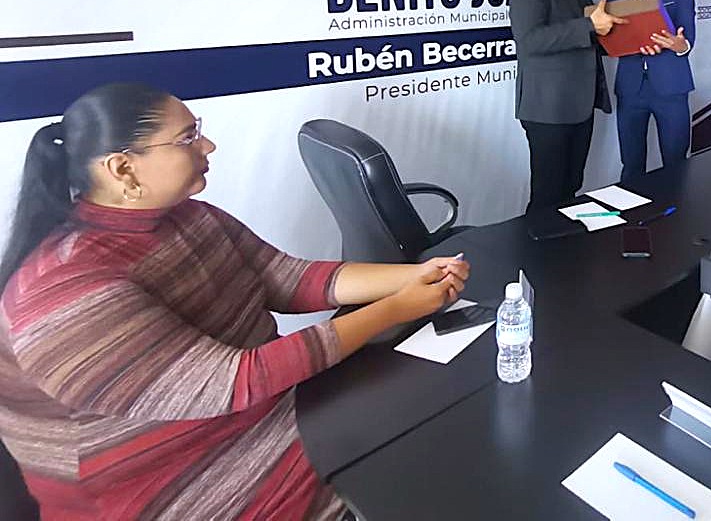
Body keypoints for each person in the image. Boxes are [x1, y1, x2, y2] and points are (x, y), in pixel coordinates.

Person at [0, 83, 469, 520]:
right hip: (181, 476)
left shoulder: (187, 216)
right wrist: (396, 307)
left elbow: (287, 279)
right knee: (418, 452)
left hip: (267, 410)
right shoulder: (65, 291)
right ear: (123, 168)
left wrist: (414, 275)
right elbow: (238, 380)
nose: (207, 146)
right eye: (188, 138)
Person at [509, 0, 626, 212]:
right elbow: (530, 40)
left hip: (579, 107)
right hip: (548, 110)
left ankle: (564, 243)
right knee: (547, 196)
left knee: (570, 189)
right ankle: (536, 244)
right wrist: (589, 25)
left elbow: (587, 39)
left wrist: (630, 41)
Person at [604, 0, 696, 182]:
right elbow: (608, 31)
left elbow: (688, 34)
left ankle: (677, 208)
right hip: (631, 87)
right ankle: (633, 209)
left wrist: (681, 46)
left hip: (671, 86)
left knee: (677, 165)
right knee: (631, 165)